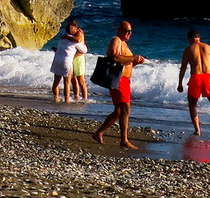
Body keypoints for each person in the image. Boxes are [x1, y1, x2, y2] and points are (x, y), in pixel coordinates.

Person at [93, 20, 148, 148]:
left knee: (119, 111)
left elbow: (125, 62)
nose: (129, 33)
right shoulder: (116, 40)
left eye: (131, 31)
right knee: (125, 108)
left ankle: (99, 132)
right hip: (119, 79)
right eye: (127, 31)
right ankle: (124, 140)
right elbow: (114, 57)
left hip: (125, 80)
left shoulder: (125, 44)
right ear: (120, 30)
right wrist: (133, 58)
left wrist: (135, 62)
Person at [178, 29, 210, 138]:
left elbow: (183, 68)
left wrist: (180, 83)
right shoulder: (208, 47)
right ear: (199, 38)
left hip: (196, 77)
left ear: (190, 39)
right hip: (208, 77)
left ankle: (197, 130)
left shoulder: (188, 49)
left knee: (192, 105)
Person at [50, 22, 87, 103]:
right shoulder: (75, 42)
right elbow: (84, 50)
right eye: (76, 29)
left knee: (56, 81)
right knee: (67, 83)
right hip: (66, 62)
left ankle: (56, 97)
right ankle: (67, 99)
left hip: (57, 59)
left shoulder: (62, 38)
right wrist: (82, 37)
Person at [69, 24, 92, 101]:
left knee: (81, 80)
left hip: (79, 59)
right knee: (73, 79)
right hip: (74, 58)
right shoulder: (72, 34)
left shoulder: (79, 33)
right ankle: (77, 97)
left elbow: (79, 42)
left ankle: (85, 98)